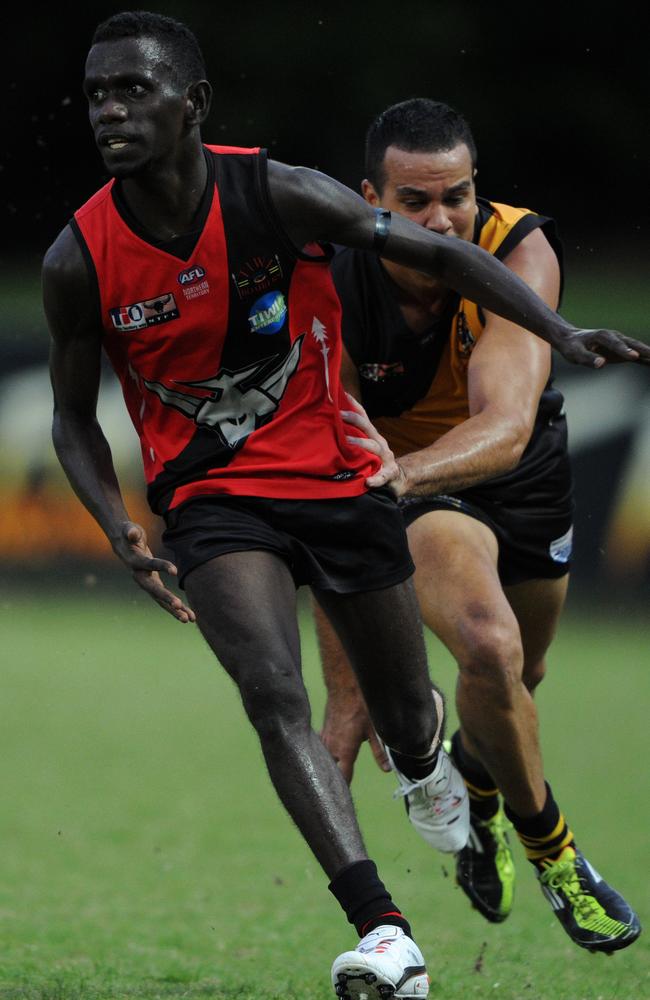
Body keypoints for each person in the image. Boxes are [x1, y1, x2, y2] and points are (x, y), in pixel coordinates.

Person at [43, 15, 646, 996]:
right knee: (312, 686)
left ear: (189, 105)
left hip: (430, 475)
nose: (440, 220)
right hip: (259, 495)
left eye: (133, 92)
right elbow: (78, 413)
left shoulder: (349, 211)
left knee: (463, 694)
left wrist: (560, 332)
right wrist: (119, 521)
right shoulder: (91, 255)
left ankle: (447, 774)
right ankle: (413, 916)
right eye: (96, 95)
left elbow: (494, 397)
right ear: (378, 198)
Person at [314, 98, 642, 955]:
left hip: (512, 470)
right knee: (489, 650)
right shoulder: (333, 277)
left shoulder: (519, 249)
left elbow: (504, 426)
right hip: (408, 491)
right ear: (368, 199)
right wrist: (345, 688)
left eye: (455, 196)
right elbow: (327, 490)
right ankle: (560, 859)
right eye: (414, 203)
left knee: (520, 677)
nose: (442, 221)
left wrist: (403, 474)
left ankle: (475, 778)